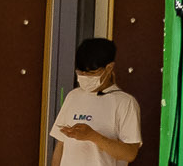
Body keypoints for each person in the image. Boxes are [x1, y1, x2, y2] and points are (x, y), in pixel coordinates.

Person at [48, 37, 142, 166]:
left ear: (109, 68)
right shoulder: (73, 96)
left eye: (91, 73)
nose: (85, 77)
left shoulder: (125, 103)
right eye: (81, 72)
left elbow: (130, 153)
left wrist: (93, 136)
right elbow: (61, 144)